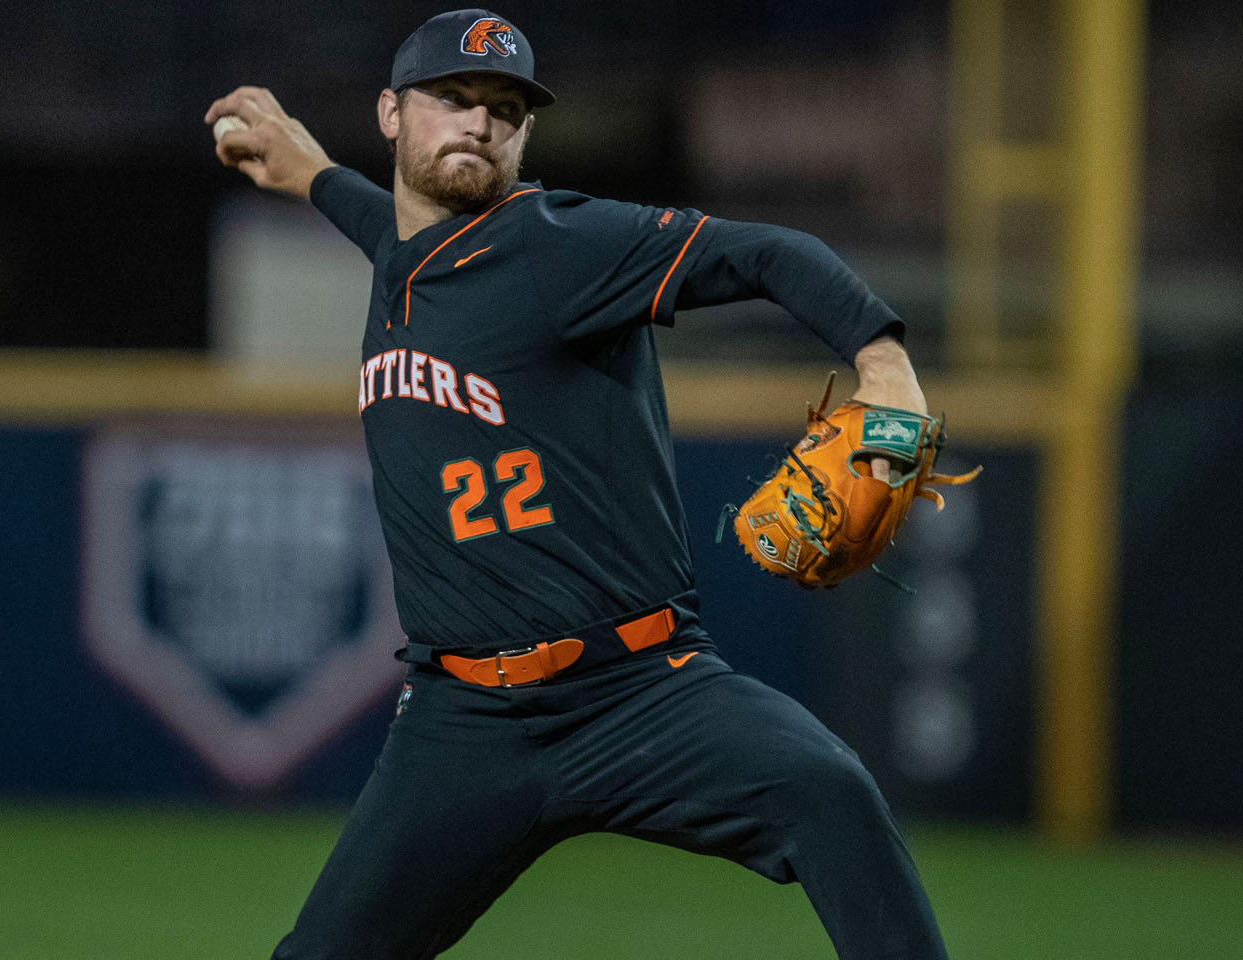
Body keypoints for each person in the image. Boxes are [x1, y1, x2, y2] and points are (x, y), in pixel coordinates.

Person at [207, 9, 949, 959]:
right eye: (452, 99)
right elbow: (385, 224)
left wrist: (882, 362)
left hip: (641, 692)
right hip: (462, 720)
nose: (477, 123)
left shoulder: (566, 245)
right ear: (391, 115)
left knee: (829, 791)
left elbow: (769, 254)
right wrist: (310, 171)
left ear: (525, 134)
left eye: (504, 107)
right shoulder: (400, 255)